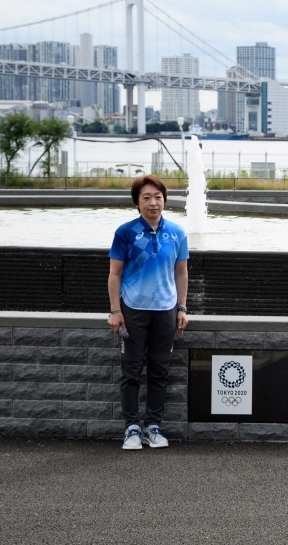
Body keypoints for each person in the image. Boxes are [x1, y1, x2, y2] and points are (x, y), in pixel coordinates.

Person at [108, 174, 189, 450]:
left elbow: (181, 272)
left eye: (158, 197)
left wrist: (181, 307)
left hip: (165, 310)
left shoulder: (177, 232)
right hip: (133, 310)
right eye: (146, 198)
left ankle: (153, 426)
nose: (153, 202)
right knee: (131, 371)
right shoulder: (126, 232)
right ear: (137, 202)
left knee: (159, 371)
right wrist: (115, 310)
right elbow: (114, 274)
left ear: (164, 200)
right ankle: (131, 428)